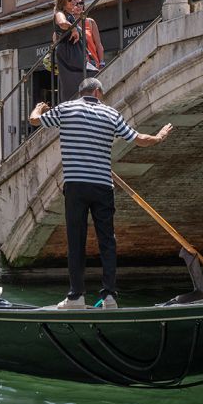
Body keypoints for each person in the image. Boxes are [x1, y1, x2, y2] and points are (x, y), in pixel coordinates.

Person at [28, 77, 172, 309]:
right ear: (97, 92)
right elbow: (139, 139)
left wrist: (39, 107)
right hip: (102, 185)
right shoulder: (111, 114)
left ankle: (76, 296)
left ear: (82, 92)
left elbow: (34, 120)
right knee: (107, 241)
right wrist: (159, 137)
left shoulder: (66, 109)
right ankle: (110, 297)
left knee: (76, 240)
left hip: (76, 185)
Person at [51, 0, 87, 102]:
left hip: (73, 52)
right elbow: (62, 23)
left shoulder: (70, 15)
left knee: (81, 80)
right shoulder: (60, 13)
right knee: (72, 83)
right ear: (63, 1)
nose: (73, 1)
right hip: (68, 52)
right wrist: (74, 28)